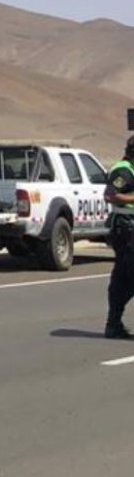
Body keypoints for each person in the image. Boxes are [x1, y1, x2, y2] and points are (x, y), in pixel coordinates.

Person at [104, 135, 134, 340]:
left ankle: (113, 324)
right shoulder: (123, 170)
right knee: (125, 277)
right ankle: (113, 324)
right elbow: (110, 194)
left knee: (124, 277)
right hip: (126, 230)